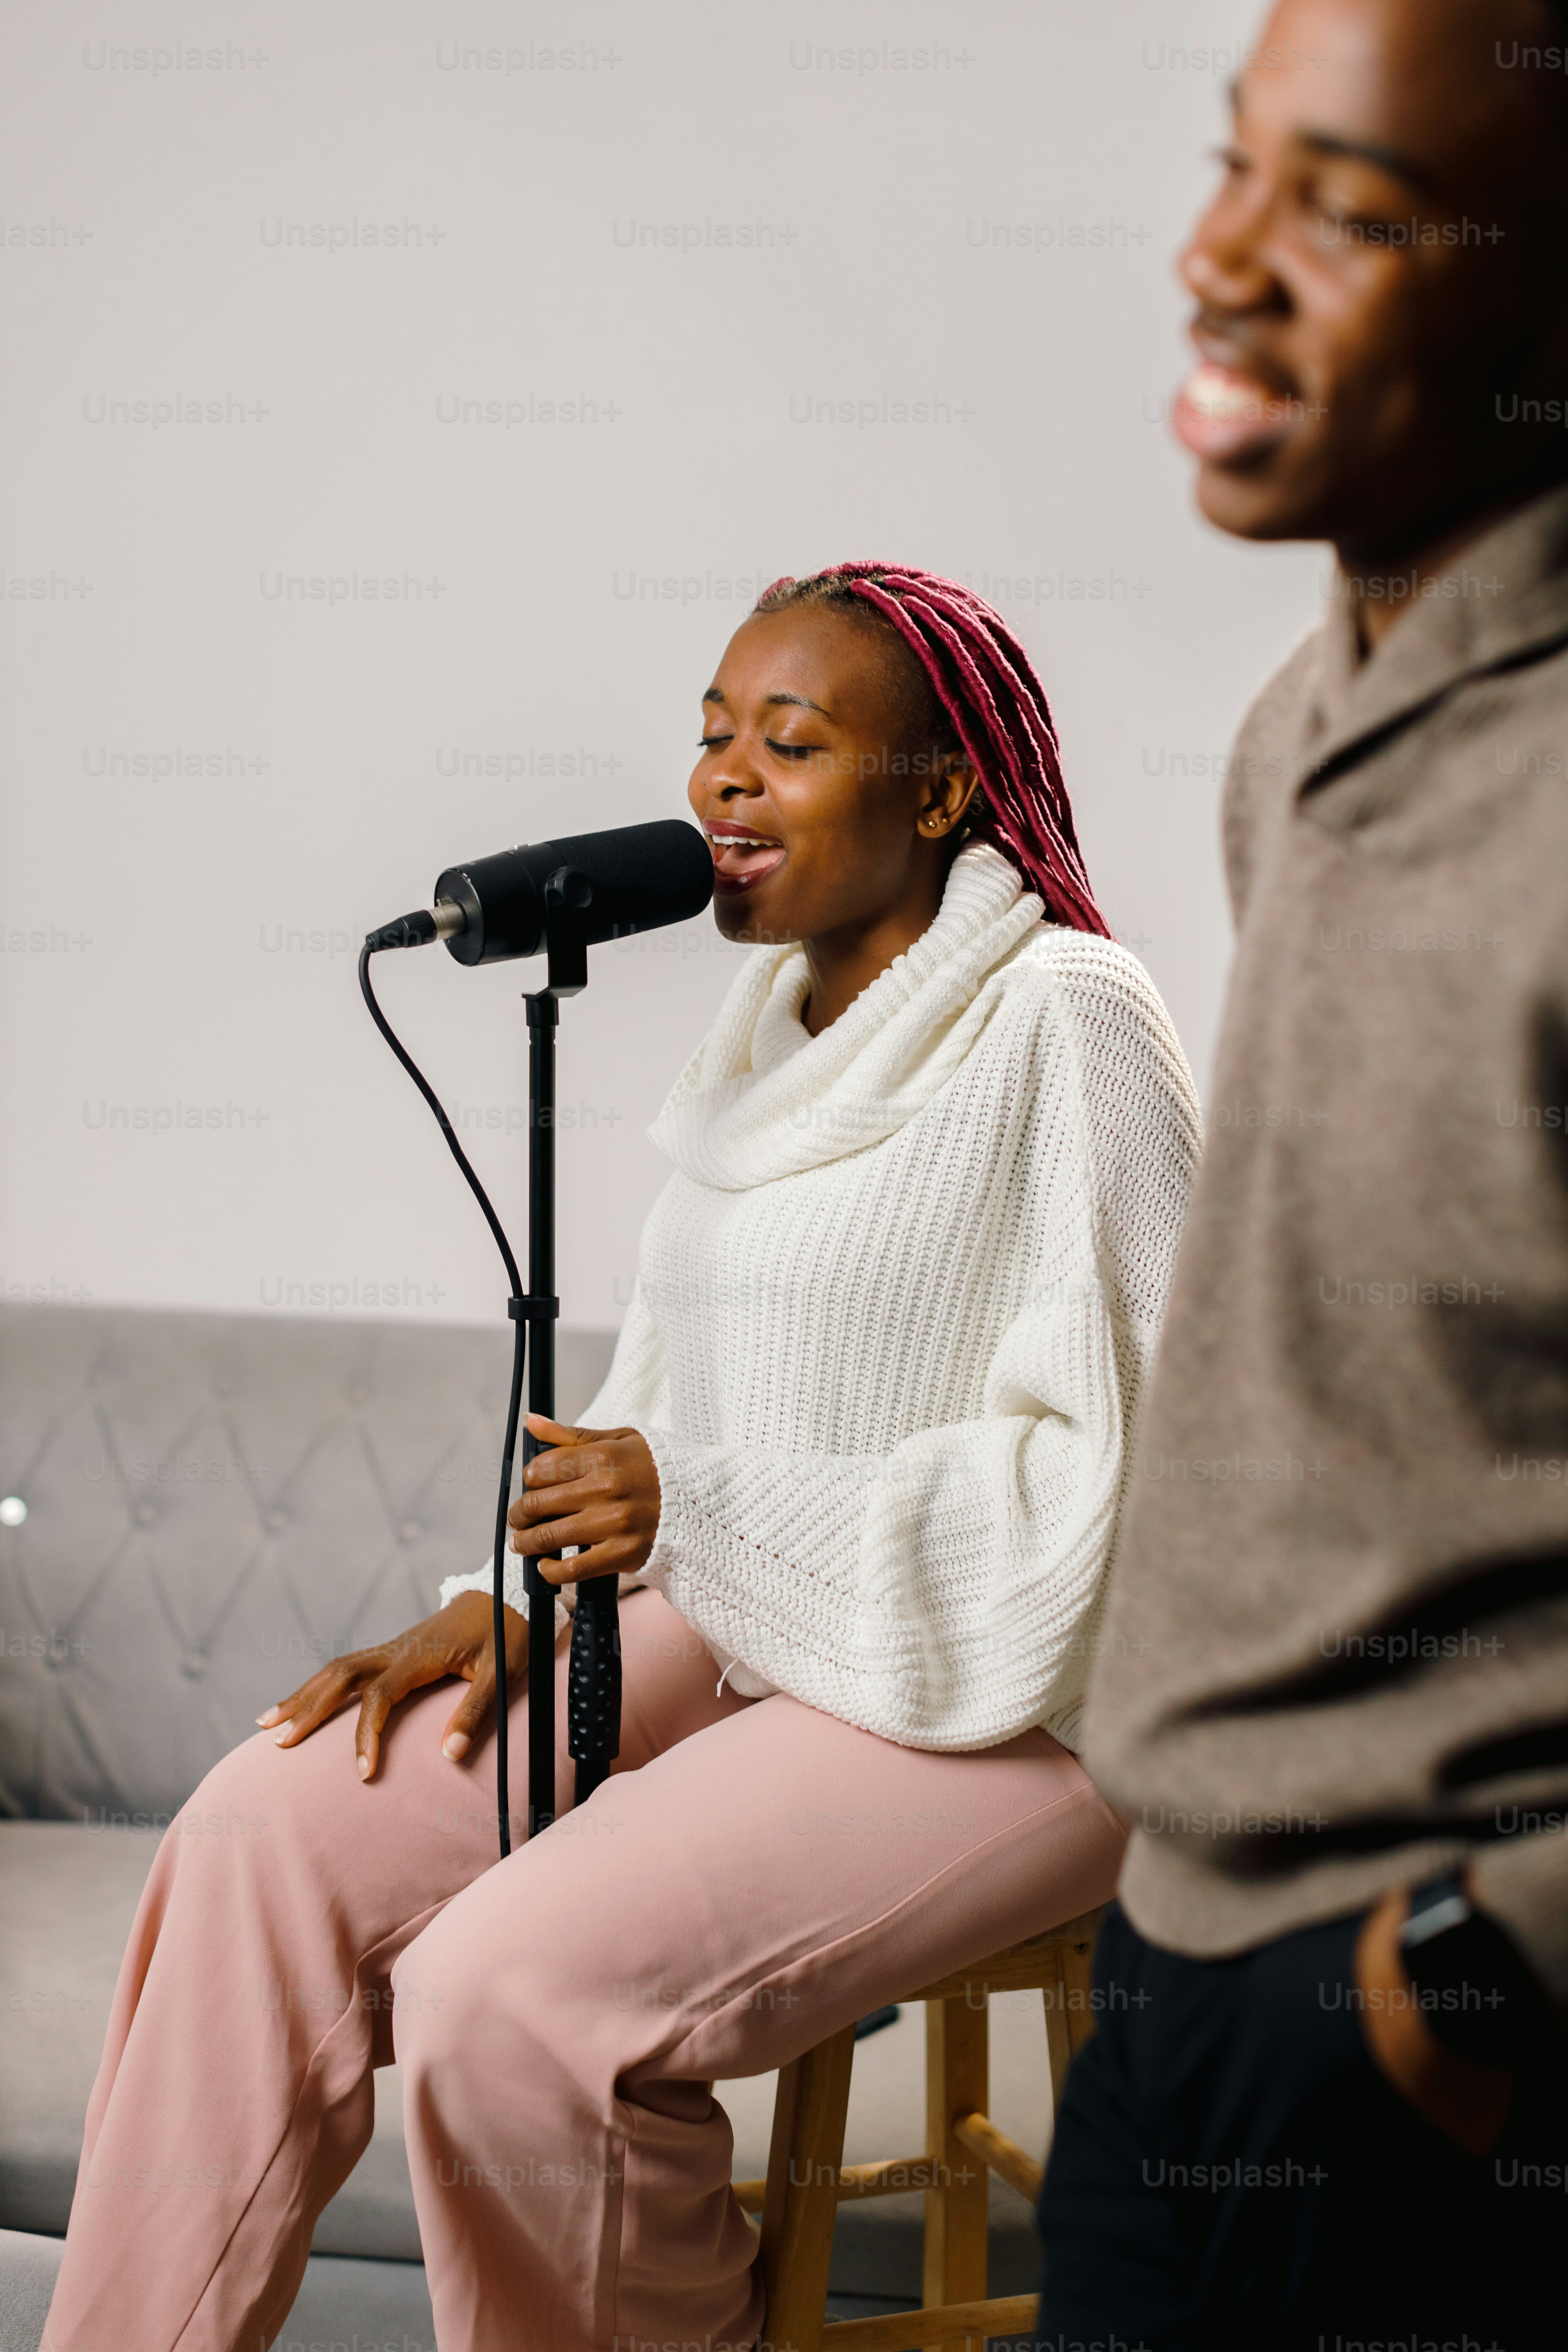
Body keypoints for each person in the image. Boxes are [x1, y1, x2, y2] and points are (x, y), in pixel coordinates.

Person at [42, 564, 1199, 2352]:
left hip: (1039, 1692)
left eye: (790, 744)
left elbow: (1139, 1500)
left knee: (508, 1987)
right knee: (262, 1832)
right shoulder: (765, 1035)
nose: (724, 783)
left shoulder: (1071, 1017)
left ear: (943, 788)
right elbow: (681, 1395)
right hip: (767, 1622)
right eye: (712, 740)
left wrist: (703, 1504)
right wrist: (514, 1597)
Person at [1037, 1, 1568, 2346]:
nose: (1213, 260)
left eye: (1340, 213)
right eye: (1231, 166)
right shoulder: (1306, 720)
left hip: (1432, 2028)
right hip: (1175, 1953)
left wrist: (1466, 1979)